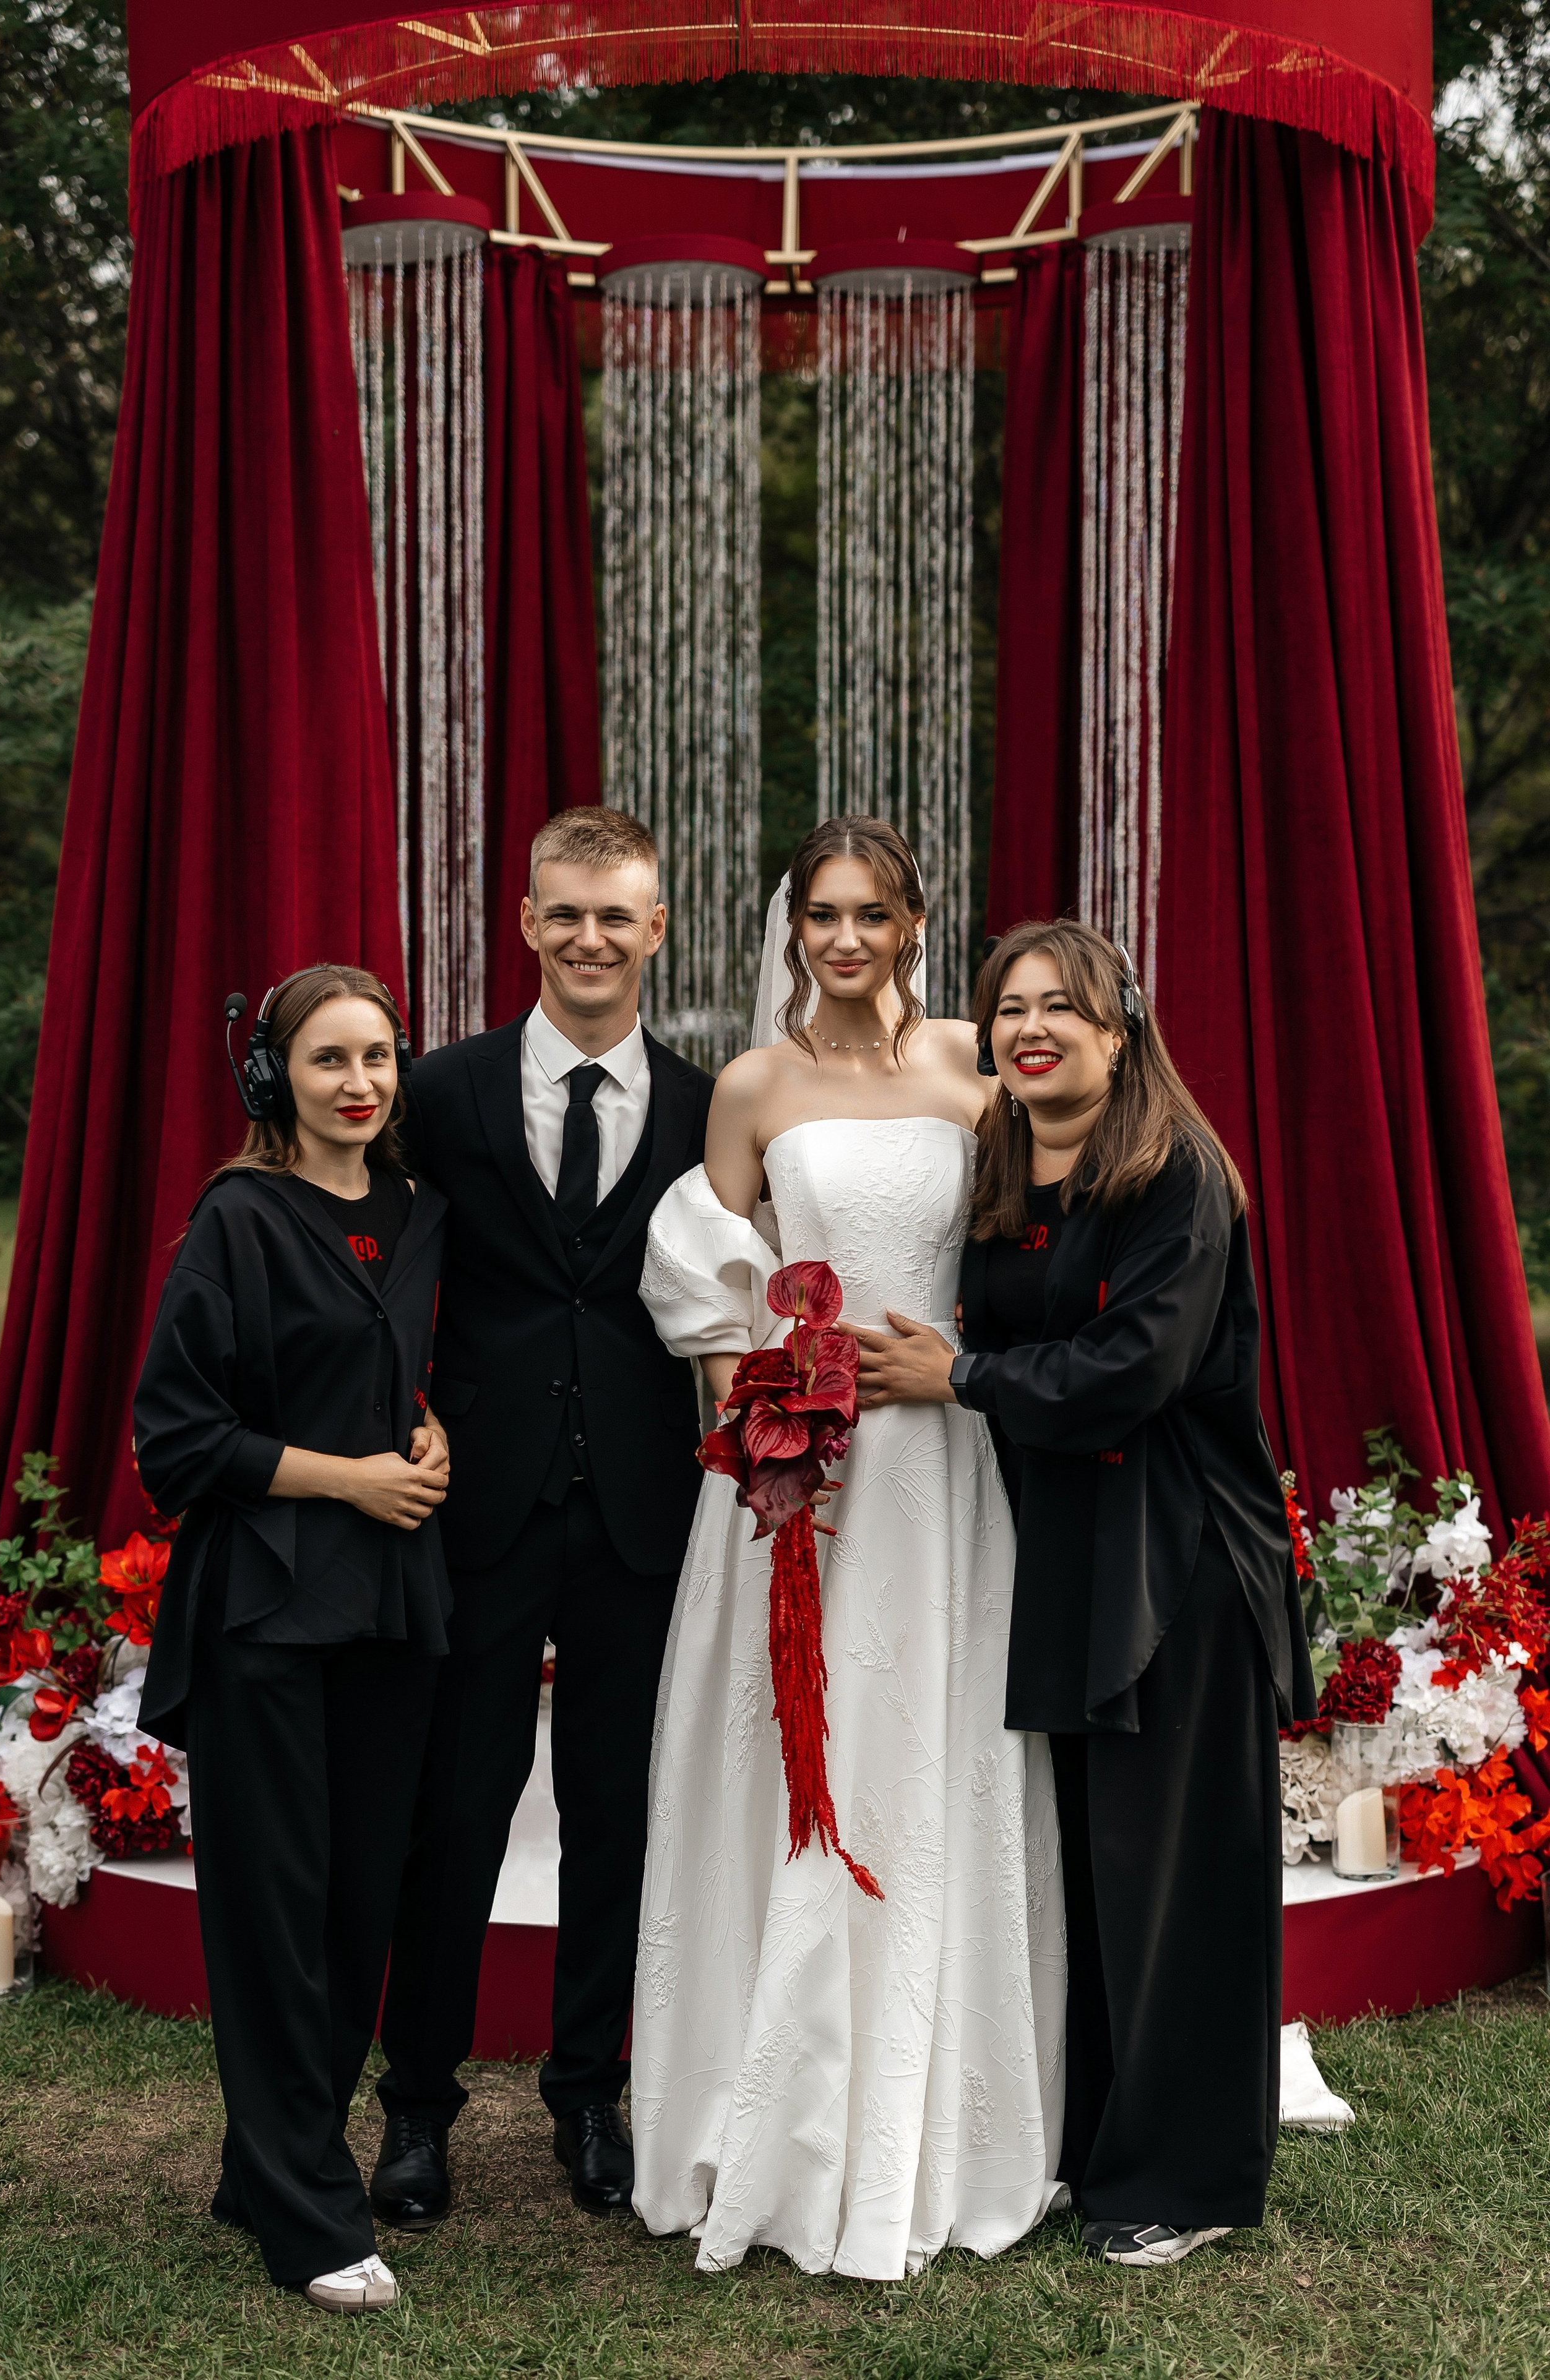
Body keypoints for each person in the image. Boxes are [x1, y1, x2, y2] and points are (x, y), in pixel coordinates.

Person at [631, 816, 1067, 2282]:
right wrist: (769, 1448)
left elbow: (1031, 1251)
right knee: (786, 1758)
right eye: (821, 911)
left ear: (913, 921)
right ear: (790, 926)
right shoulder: (750, 1088)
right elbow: (716, 1302)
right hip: (798, 1486)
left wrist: (966, 1361)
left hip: (944, 1460)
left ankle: (936, 2122)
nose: (843, 937)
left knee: (927, 1755)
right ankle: (774, 2111)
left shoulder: (970, 1067)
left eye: (870, 911)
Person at [855, 918, 1317, 2270]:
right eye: (1006, 1008)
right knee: (1086, 1869)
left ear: (1122, 1033)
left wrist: (966, 1379)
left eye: (1062, 1007)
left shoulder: (1176, 1174)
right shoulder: (1008, 1168)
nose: (1028, 1028)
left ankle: (1186, 2177)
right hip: (1059, 1554)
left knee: (1173, 1877)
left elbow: (1133, 1364)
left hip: (1173, 1560)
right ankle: (1092, 2138)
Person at [370, 807, 715, 2227]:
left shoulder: (708, 1107)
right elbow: (364, 1263)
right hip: (475, 1507)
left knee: (616, 1817)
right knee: (452, 1816)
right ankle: (415, 2112)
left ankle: (590, 2096)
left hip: (645, 1512)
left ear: (653, 929)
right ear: (524, 922)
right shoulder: (439, 1092)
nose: (587, 937)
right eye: (562, 912)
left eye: (614, 913)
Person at [133, 964, 451, 2313]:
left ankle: (266, 2159)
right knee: (271, 1915)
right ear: (274, 1077)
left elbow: (379, 1367)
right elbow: (176, 1436)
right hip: (267, 1603)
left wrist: (426, 1426)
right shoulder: (237, 1219)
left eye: (376, 1057)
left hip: (389, 1601)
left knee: (352, 1901)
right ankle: (310, 2221)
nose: (359, 1084)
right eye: (328, 1060)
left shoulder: (417, 1211)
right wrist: (350, 1475)